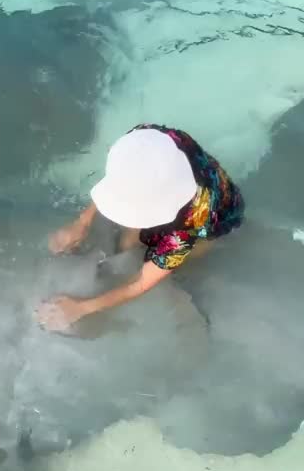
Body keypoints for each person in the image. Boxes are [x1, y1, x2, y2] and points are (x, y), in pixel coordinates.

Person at [35, 123, 245, 332]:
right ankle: (132, 256)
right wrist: (82, 222)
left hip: (216, 214)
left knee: (179, 260)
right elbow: (118, 180)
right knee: (129, 243)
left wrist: (82, 308)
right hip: (190, 178)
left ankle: (175, 275)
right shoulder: (146, 142)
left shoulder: (192, 220)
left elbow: (142, 282)